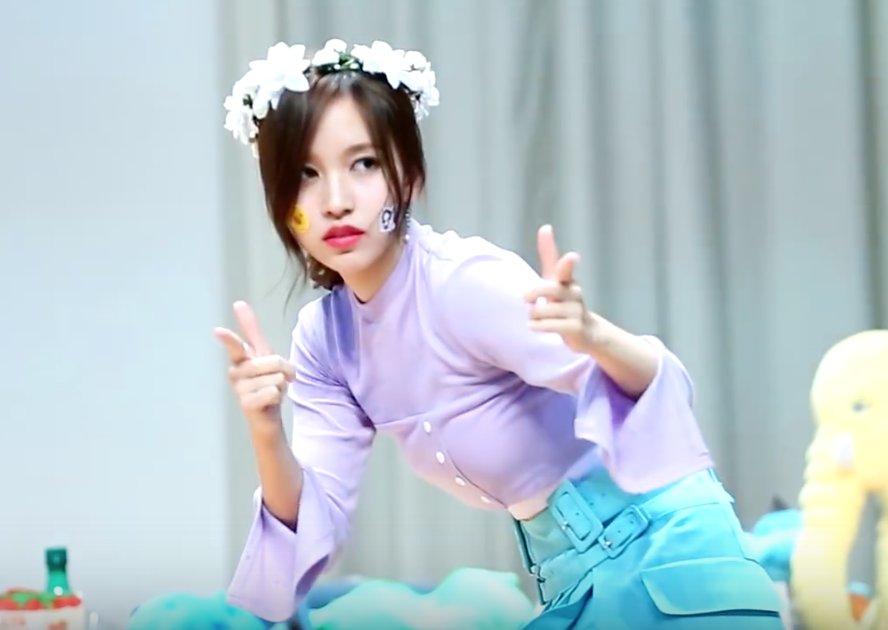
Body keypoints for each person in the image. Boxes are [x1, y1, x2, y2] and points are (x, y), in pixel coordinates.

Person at [214, 38, 785, 629]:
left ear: (408, 176)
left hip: (666, 551)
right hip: (568, 578)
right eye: (306, 174)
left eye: (364, 164)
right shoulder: (324, 342)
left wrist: (593, 336)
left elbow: (662, 391)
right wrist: (265, 429)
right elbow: (314, 520)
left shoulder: (464, 283)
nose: (336, 201)